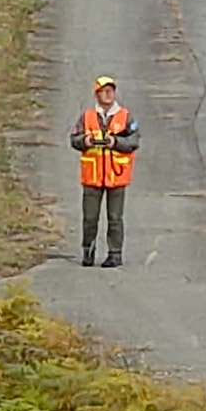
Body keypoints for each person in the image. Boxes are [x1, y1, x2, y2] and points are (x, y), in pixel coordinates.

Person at [69, 75, 140, 268]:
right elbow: (74, 139)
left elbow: (134, 141)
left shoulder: (125, 116)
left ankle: (115, 254)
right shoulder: (87, 116)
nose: (108, 94)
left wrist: (115, 142)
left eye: (111, 90)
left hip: (117, 175)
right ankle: (88, 252)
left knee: (115, 218)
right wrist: (85, 141)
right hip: (92, 176)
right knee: (90, 218)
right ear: (97, 94)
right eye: (104, 91)